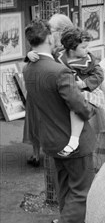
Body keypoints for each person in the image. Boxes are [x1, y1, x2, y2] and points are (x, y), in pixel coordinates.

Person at [23, 19, 96, 223]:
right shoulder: (59, 71)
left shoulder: (29, 68)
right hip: (73, 140)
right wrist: (91, 108)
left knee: (66, 189)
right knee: (81, 191)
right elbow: (78, 106)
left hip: (51, 140)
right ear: (50, 40)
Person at [23, 13, 74, 167]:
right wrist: (29, 55)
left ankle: (51, 151)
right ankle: (36, 153)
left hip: (56, 89)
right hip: (39, 89)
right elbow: (37, 56)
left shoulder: (68, 47)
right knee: (34, 119)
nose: (49, 32)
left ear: (61, 30)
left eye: (51, 28)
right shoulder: (48, 44)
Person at [56, 27, 105, 156]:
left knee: (76, 105)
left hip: (86, 93)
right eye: (83, 47)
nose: (87, 50)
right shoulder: (57, 56)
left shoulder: (89, 60)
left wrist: (83, 83)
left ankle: (74, 141)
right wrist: (30, 55)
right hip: (65, 92)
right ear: (71, 48)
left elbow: (99, 75)